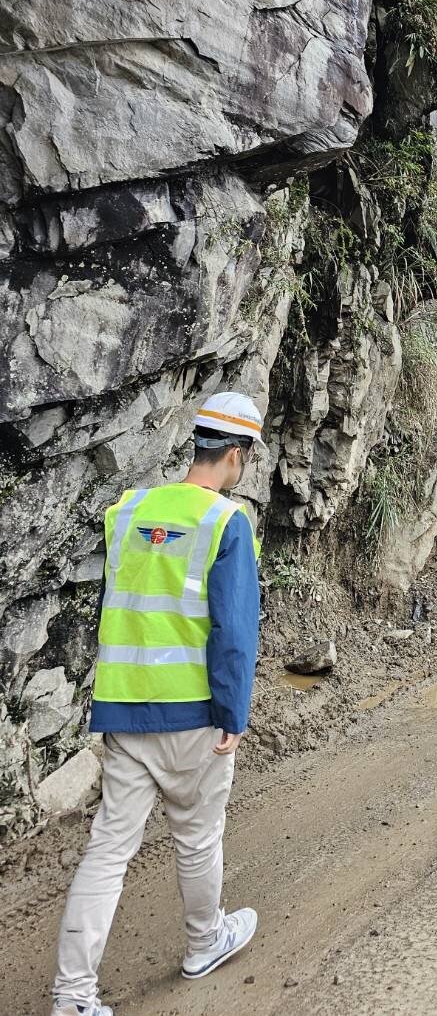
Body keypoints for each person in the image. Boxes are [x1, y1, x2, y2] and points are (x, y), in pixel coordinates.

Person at [52, 393, 266, 1016]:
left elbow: (113, 606)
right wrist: (233, 715)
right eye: (244, 459)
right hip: (194, 715)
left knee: (108, 849)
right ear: (234, 455)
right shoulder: (226, 523)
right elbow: (233, 631)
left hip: (125, 709)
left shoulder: (128, 511)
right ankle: (203, 943)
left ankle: (72, 995)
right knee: (198, 839)